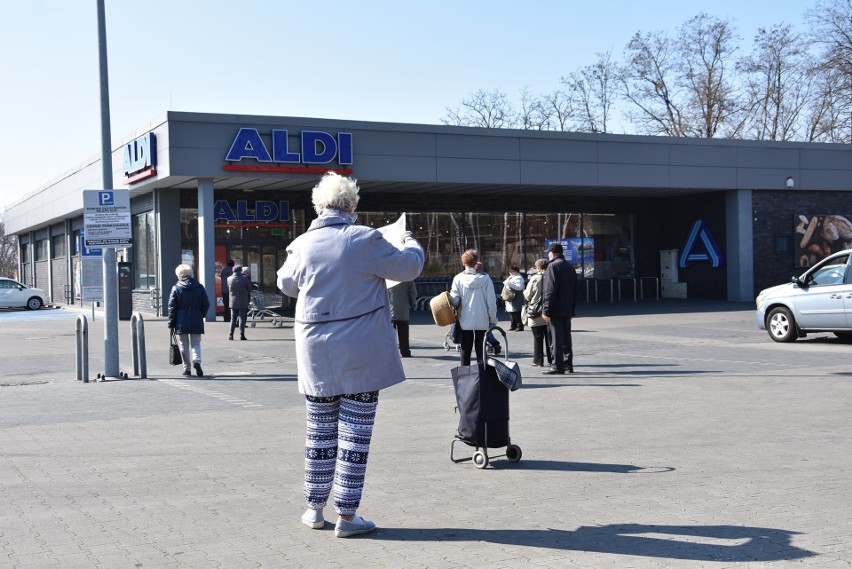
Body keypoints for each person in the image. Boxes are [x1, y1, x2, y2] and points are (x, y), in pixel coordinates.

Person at [277, 171, 424, 538]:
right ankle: (346, 516)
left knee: (319, 432)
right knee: (355, 435)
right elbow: (408, 267)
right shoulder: (365, 238)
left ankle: (313, 508)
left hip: (316, 355)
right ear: (353, 206)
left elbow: (286, 284)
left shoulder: (302, 244)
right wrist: (410, 240)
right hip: (361, 354)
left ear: (318, 206)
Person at [449, 249, 498, 366]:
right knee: (481, 350)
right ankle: (482, 377)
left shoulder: (458, 278)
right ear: (476, 261)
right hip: (482, 318)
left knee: (465, 349)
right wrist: (493, 318)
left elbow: (454, 300)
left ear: (463, 263)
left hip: (465, 318)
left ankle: (465, 378)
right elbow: (491, 301)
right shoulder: (486, 279)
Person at [167, 264, 210, 377]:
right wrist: (201, 314)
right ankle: (196, 361)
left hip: (181, 320)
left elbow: (172, 307)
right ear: (190, 274)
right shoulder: (199, 287)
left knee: (183, 345)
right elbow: (206, 303)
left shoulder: (176, 288)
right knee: (196, 343)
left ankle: (187, 368)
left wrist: (171, 322)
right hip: (196, 318)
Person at [541, 242, 578, 374]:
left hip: (555, 309)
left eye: (548, 253)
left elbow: (549, 291)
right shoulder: (569, 267)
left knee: (555, 338)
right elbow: (574, 290)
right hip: (567, 308)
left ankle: (557, 366)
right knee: (566, 338)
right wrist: (572, 309)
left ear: (552, 253)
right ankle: (568, 365)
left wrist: (546, 310)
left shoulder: (552, 266)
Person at [523, 258, 552, 367]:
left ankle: (538, 360)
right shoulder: (551, 276)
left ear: (538, 267)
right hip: (549, 311)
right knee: (550, 338)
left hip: (536, 311)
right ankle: (551, 359)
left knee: (538, 337)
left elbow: (527, 294)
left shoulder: (535, 278)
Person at [388, 280, 417, 357]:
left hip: (390, 310)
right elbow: (413, 292)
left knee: (390, 334)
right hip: (403, 309)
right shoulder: (407, 276)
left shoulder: (388, 276)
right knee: (403, 333)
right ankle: (405, 352)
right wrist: (410, 303)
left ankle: (391, 353)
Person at [227, 265, 252, 340]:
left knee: (233, 319)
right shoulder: (244, 279)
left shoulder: (229, 279)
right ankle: (242, 335)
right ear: (240, 270)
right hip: (243, 301)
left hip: (233, 301)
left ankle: (231, 335)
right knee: (242, 318)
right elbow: (249, 289)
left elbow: (228, 288)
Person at [503, 265, 526, 331]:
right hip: (511, 297)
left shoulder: (518, 277)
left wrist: (510, 284)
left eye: (511, 271)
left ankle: (519, 326)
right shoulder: (512, 277)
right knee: (511, 313)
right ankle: (513, 325)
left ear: (515, 271)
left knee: (517, 312)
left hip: (516, 297)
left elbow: (519, 287)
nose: (510, 273)